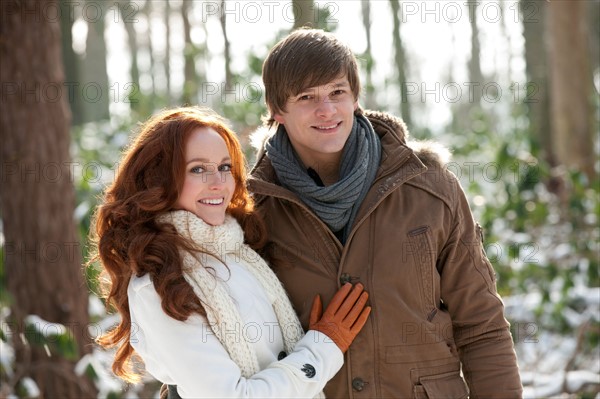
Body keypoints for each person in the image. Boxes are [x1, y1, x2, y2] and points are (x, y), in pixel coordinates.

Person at [248, 28, 523, 398]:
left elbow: (481, 325)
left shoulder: (430, 189)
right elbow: (218, 332)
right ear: (277, 110)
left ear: (356, 98)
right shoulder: (251, 209)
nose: (326, 109)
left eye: (337, 92)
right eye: (306, 97)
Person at [89, 106, 371, 398]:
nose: (218, 183)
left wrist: (305, 339)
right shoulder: (159, 284)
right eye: (198, 169)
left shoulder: (239, 253)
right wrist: (322, 347)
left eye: (225, 167)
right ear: (160, 179)